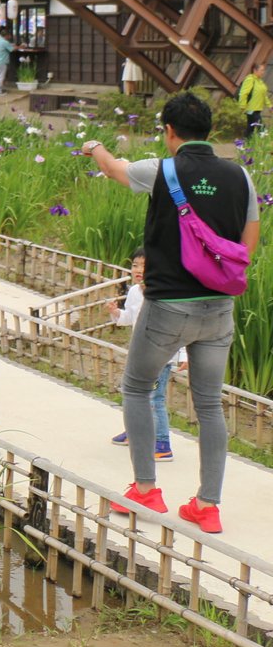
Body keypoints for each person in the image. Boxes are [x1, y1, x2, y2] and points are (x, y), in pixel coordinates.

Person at [83, 93, 260, 533]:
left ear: (169, 131)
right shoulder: (241, 176)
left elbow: (112, 169)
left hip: (167, 308)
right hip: (218, 310)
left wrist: (94, 148)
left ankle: (146, 489)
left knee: (137, 388)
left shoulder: (161, 170)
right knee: (208, 404)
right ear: (210, 131)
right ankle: (208, 505)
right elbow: (246, 244)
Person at [108, 248, 183, 463]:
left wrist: (183, 355)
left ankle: (162, 444)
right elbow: (129, 318)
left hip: (160, 356)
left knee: (154, 399)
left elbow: (180, 327)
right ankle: (135, 433)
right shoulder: (133, 292)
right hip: (139, 352)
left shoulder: (167, 295)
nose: (138, 270)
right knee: (133, 394)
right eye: (135, 265)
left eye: (144, 266)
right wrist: (115, 313)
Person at [238, 60, 268, 134]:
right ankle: (263, 143)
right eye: (261, 70)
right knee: (261, 128)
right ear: (255, 70)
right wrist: (242, 106)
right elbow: (243, 93)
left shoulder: (260, 81)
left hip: (258, 109)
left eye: (264, 70)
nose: (263, 72)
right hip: (251, 109)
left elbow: (264, 95)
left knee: (250, 128)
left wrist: (270, 106)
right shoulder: (250, 79)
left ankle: (246, 142)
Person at [0, 27, 15, 95]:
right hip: (2, 61)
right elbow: (12, 49)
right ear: (6, 35)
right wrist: (19, 47)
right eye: (9, 35)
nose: (10, 36)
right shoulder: (5, 42)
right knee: (1, 76)